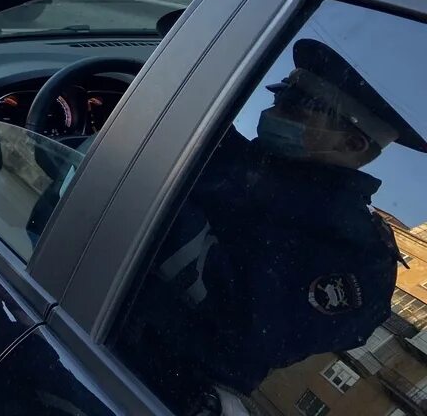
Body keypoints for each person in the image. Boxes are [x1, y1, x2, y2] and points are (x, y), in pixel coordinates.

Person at [121, 38, 419, 416]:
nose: (276, 105)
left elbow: (244, 326)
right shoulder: (248, 159)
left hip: (146, 382)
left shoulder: (355, 253)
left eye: (299, 103)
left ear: (351, 142)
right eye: (283, 91)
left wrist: (130, 184)